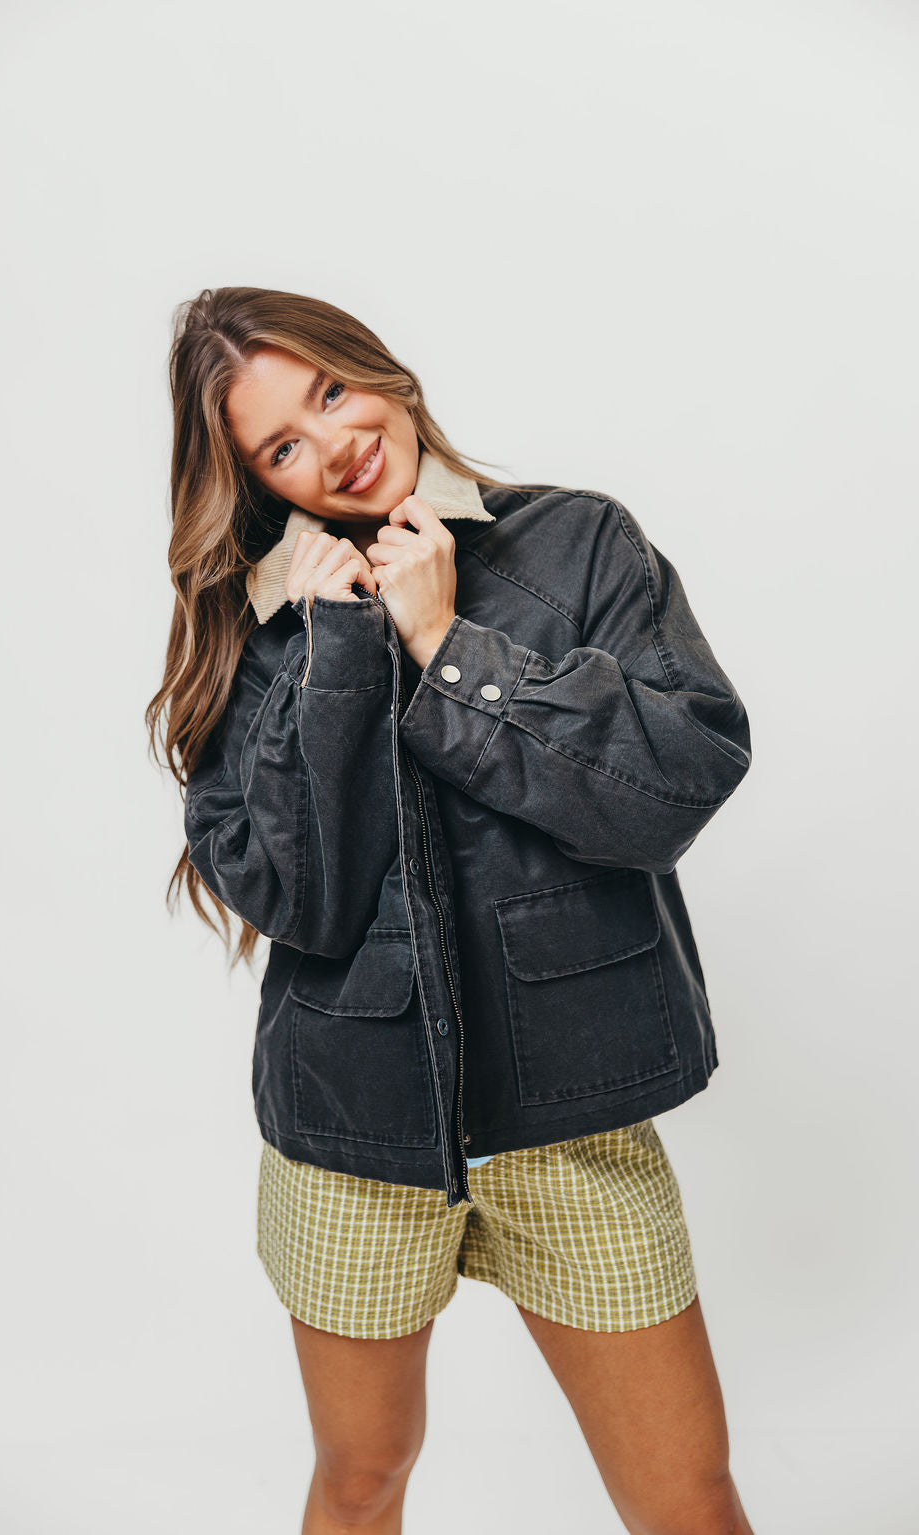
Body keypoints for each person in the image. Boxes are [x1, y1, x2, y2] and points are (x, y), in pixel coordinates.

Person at [147, 285, 756, 1535]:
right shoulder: (260, 626)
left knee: (685, 1498)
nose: (333, 444)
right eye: (282, 444)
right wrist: (337, 650)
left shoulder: (577, 542)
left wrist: (449, 644)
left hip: (573, 1122)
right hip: (352, 1137)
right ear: (257, 481)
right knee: (361, 1478)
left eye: (330, 392)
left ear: (383, 372)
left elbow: (673, 785)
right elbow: (300, 902)